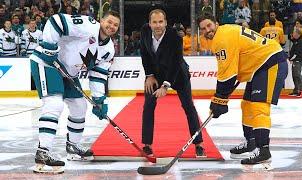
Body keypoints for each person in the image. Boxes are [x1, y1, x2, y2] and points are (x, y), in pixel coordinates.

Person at [29, 11, 120, 174]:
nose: (111, 26)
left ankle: (73, 146)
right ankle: (43, 152)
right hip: (47, 63)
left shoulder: (108, 49)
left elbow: (98, 74)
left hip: (68, 73)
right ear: (101, 20)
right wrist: (50, 47)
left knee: (79, 106)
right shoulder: (87, 26)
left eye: (115, 25)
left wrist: (99, 100)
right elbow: (56, 21)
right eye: (109, 22)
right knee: (54, 104)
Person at [197, 13, 288, 166]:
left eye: (209, 25)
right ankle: (251, 142)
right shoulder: (224, 34)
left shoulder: (222, 38)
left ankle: (263, 150)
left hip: (270, 62)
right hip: (258, 67)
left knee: (259, 106)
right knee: (246, 104)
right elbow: (228, 71)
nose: (207, 30)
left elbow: (227, 75)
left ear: (216, 23)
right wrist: (220, 99)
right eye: (203, 28)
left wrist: (219, 100)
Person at [140, 9, 206, 157]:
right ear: (149, 23)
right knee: (148, 105)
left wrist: (165, 85)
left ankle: (199, 144)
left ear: (166, 23)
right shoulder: (144, 31)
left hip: (177, 75)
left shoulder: (175, 37)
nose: (158, 25)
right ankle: (147, 145)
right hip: (155, 75)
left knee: (188, 106)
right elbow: (144, 53)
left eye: (161, 22)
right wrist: (149, 75)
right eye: (154, 22)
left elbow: (176, 63)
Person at [289, 27, 302, 97]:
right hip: (295, 60)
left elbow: (297, 53)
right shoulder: (296, 41)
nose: (292, 34)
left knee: (297, 75)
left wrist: (291, 58)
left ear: (297, 34)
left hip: (298, 60)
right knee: (294, 75)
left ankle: (301, 90)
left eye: (294, 33)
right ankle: (296, 90)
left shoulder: (300, 41)